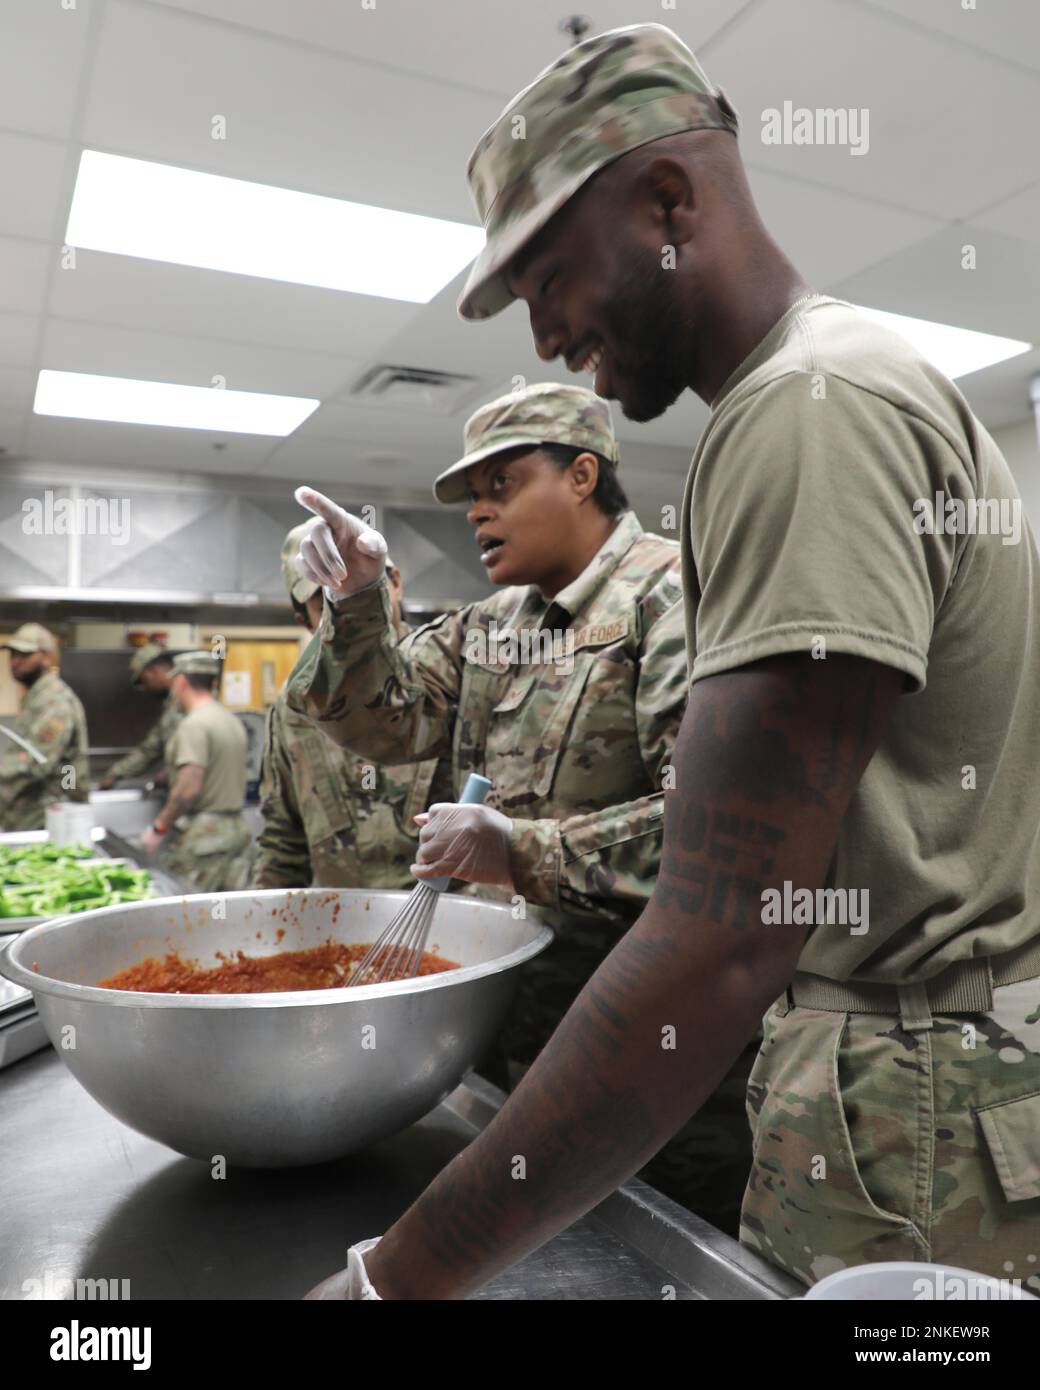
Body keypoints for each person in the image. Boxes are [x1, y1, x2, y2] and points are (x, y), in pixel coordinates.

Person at [300, 23, 1040, 1300]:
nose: (541, 336)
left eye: (545, 277)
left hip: (905, 1103)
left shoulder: (810, 416)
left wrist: (395, 1281)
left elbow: (717, 930)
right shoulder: (814, 398)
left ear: (665, 199)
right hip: (883, 1077)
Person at [289, 382, 760, 1234]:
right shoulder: (491, 624)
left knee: (662, 1255)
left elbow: (719, 835)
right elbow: (374, 720)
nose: (478, 514)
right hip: (511, 1040)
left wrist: (519, 849)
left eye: (501, 486)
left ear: (583, 476)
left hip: (648, 1053)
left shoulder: (672, 600)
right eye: (472, 497)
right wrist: (357, 604)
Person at [253, 521, 449, 889]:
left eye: (365, 584)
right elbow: (283, 837)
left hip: (448, 928)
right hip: (338, 928)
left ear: (395, 583)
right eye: (326, 597)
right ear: (304, 621)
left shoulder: (444, 672)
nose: (351, 602)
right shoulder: (294, 708)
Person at [139, 651, 250, 892]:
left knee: (189, 911)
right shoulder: (230, 720)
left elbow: (188, 789)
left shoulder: (194, 725)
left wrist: (158, 827)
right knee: (230, 915)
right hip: (236, 831)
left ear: (180, 682)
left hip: (205, 838)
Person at [0, 623, 89, 832]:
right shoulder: (36, 698)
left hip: (48, 819)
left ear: (46, 657)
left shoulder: (55, 702)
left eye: (24, 655)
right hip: (30, 817)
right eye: (12, 655)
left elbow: (36, 761)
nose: (15, 661)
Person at [97, 644, 182, 790]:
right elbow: (150, 748)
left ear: (153, 671)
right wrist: (116, 773)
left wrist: (170, 772)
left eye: (145, 681)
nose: (146, 688)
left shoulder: (186, 702)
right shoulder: (171, 705)